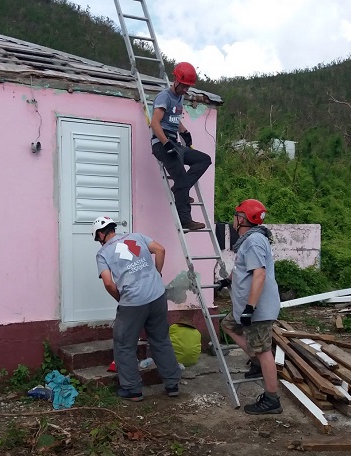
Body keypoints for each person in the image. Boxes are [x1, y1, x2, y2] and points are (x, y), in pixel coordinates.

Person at [92, 216, 181, 402]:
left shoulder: (103, 253)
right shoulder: (137, 236)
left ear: (101, 234)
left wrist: (121, 298)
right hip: (157, 295)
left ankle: (133, 389)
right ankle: (172, 384)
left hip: (133, 301)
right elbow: (160, 249)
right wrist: (157, 274)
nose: (99, 241)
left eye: (97, 238)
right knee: (161, 339)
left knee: (124, 344)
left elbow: (108, 283)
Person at [218, 199, 283, 414]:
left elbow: (259, 273)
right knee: (228, 325)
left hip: (257, 310)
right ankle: (255, 361)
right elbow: (243, 267)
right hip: (245, 308)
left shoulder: (254, 241)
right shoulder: (248, 240)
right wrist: (228, 280)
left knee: (264, 351)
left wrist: (250, 308)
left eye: (236, 216)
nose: (233, 219)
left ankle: (272, 399)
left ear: (242, 219)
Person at [151, 62, 212, 231]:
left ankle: (180, 189)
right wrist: (166, 143)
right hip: (162, 144)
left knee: (204, 160)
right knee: (183, 179)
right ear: (176, 81)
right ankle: (186, 219)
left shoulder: (180, 98)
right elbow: (155, 124)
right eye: (184, 86)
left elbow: (174, 119)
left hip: (175, 144)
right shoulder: (164, 97)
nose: (186, 90)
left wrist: (184, 131)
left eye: (188, 87)